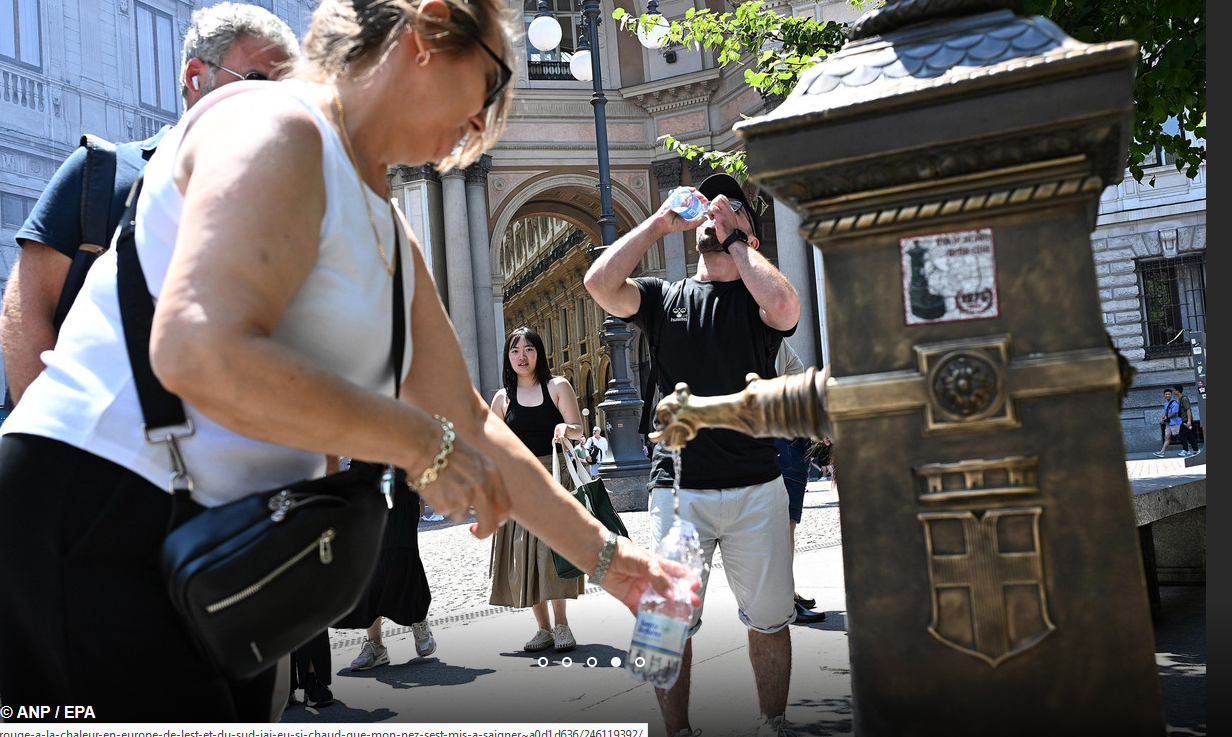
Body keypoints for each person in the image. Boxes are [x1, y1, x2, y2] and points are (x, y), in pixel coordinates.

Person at [0, 0, 691, 720]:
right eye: (491, 86)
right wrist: (419, 442)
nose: (489, 121)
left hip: (213, 542)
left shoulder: (391, 233)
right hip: (98, 502)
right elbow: (198, 349)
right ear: (426, 32)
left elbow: (470, 423)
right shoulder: (277, 124)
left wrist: (619, 564)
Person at [585, 171, 802, 737]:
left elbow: (784, 306)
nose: (717, 214)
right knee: (667, 622)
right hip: (678, 492)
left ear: (749, 238)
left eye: (732, 212)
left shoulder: (757, 298)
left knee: (771, 618)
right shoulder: (664, 297)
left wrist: (735, 237)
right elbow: (599, 283)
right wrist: (660, 222)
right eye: (711, 210)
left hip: (757, 486)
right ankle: (677, 732)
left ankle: (771, 724)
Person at [0, 2, 301, 405]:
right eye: (254, 79)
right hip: (100, 453)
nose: (270, 102)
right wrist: (46, 447)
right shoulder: (102, 173)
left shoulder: (284, 209)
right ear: (196, 76)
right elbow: (25, 310)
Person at [488, 327, 588, 652]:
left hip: (555, 477)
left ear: (539, 353)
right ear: (508, 357)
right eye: (515, 350)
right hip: (518, 483)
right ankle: (543, 629)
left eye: (529, 349)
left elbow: (578, 429)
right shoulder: (502, 398)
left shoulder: (558, 386)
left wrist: (564, 428)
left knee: (552, 553)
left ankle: (562, 626)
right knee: (525, 555)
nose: (522, 356)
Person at [772, 341, 825, 625]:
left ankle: (785, 593)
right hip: (784, 432)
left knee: (781, 523)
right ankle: (783, 599)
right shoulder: (768, 331)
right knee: (783, 524)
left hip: (777, 432)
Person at [1153, 388, 1182, 457]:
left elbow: (1174, 413)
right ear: (1164, 395)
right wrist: (1162, 418)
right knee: (1167, 438)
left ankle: (1188, 449)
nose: (1167, 395)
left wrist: (1166, 418)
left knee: (1181, 437)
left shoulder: (1175, 403)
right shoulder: (1166, 403)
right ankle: (1162, 452)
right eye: (1166, 394)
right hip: (1169, 423)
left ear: (1171, 395)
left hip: (1175, 423)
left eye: (1169, 394)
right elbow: (1165, 412)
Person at [1174, 384, 1199, 457]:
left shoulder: (1184, 399)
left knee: (1182, 435)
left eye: (1175, 390)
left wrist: (1189, 421)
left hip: (1186, 420)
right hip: (1184, 419)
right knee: (1190, 435)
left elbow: (1188, 409)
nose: (1174, 391)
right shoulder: (1180, 399)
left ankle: (1185, 450)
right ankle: (1195, 450)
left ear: (1178, 391)